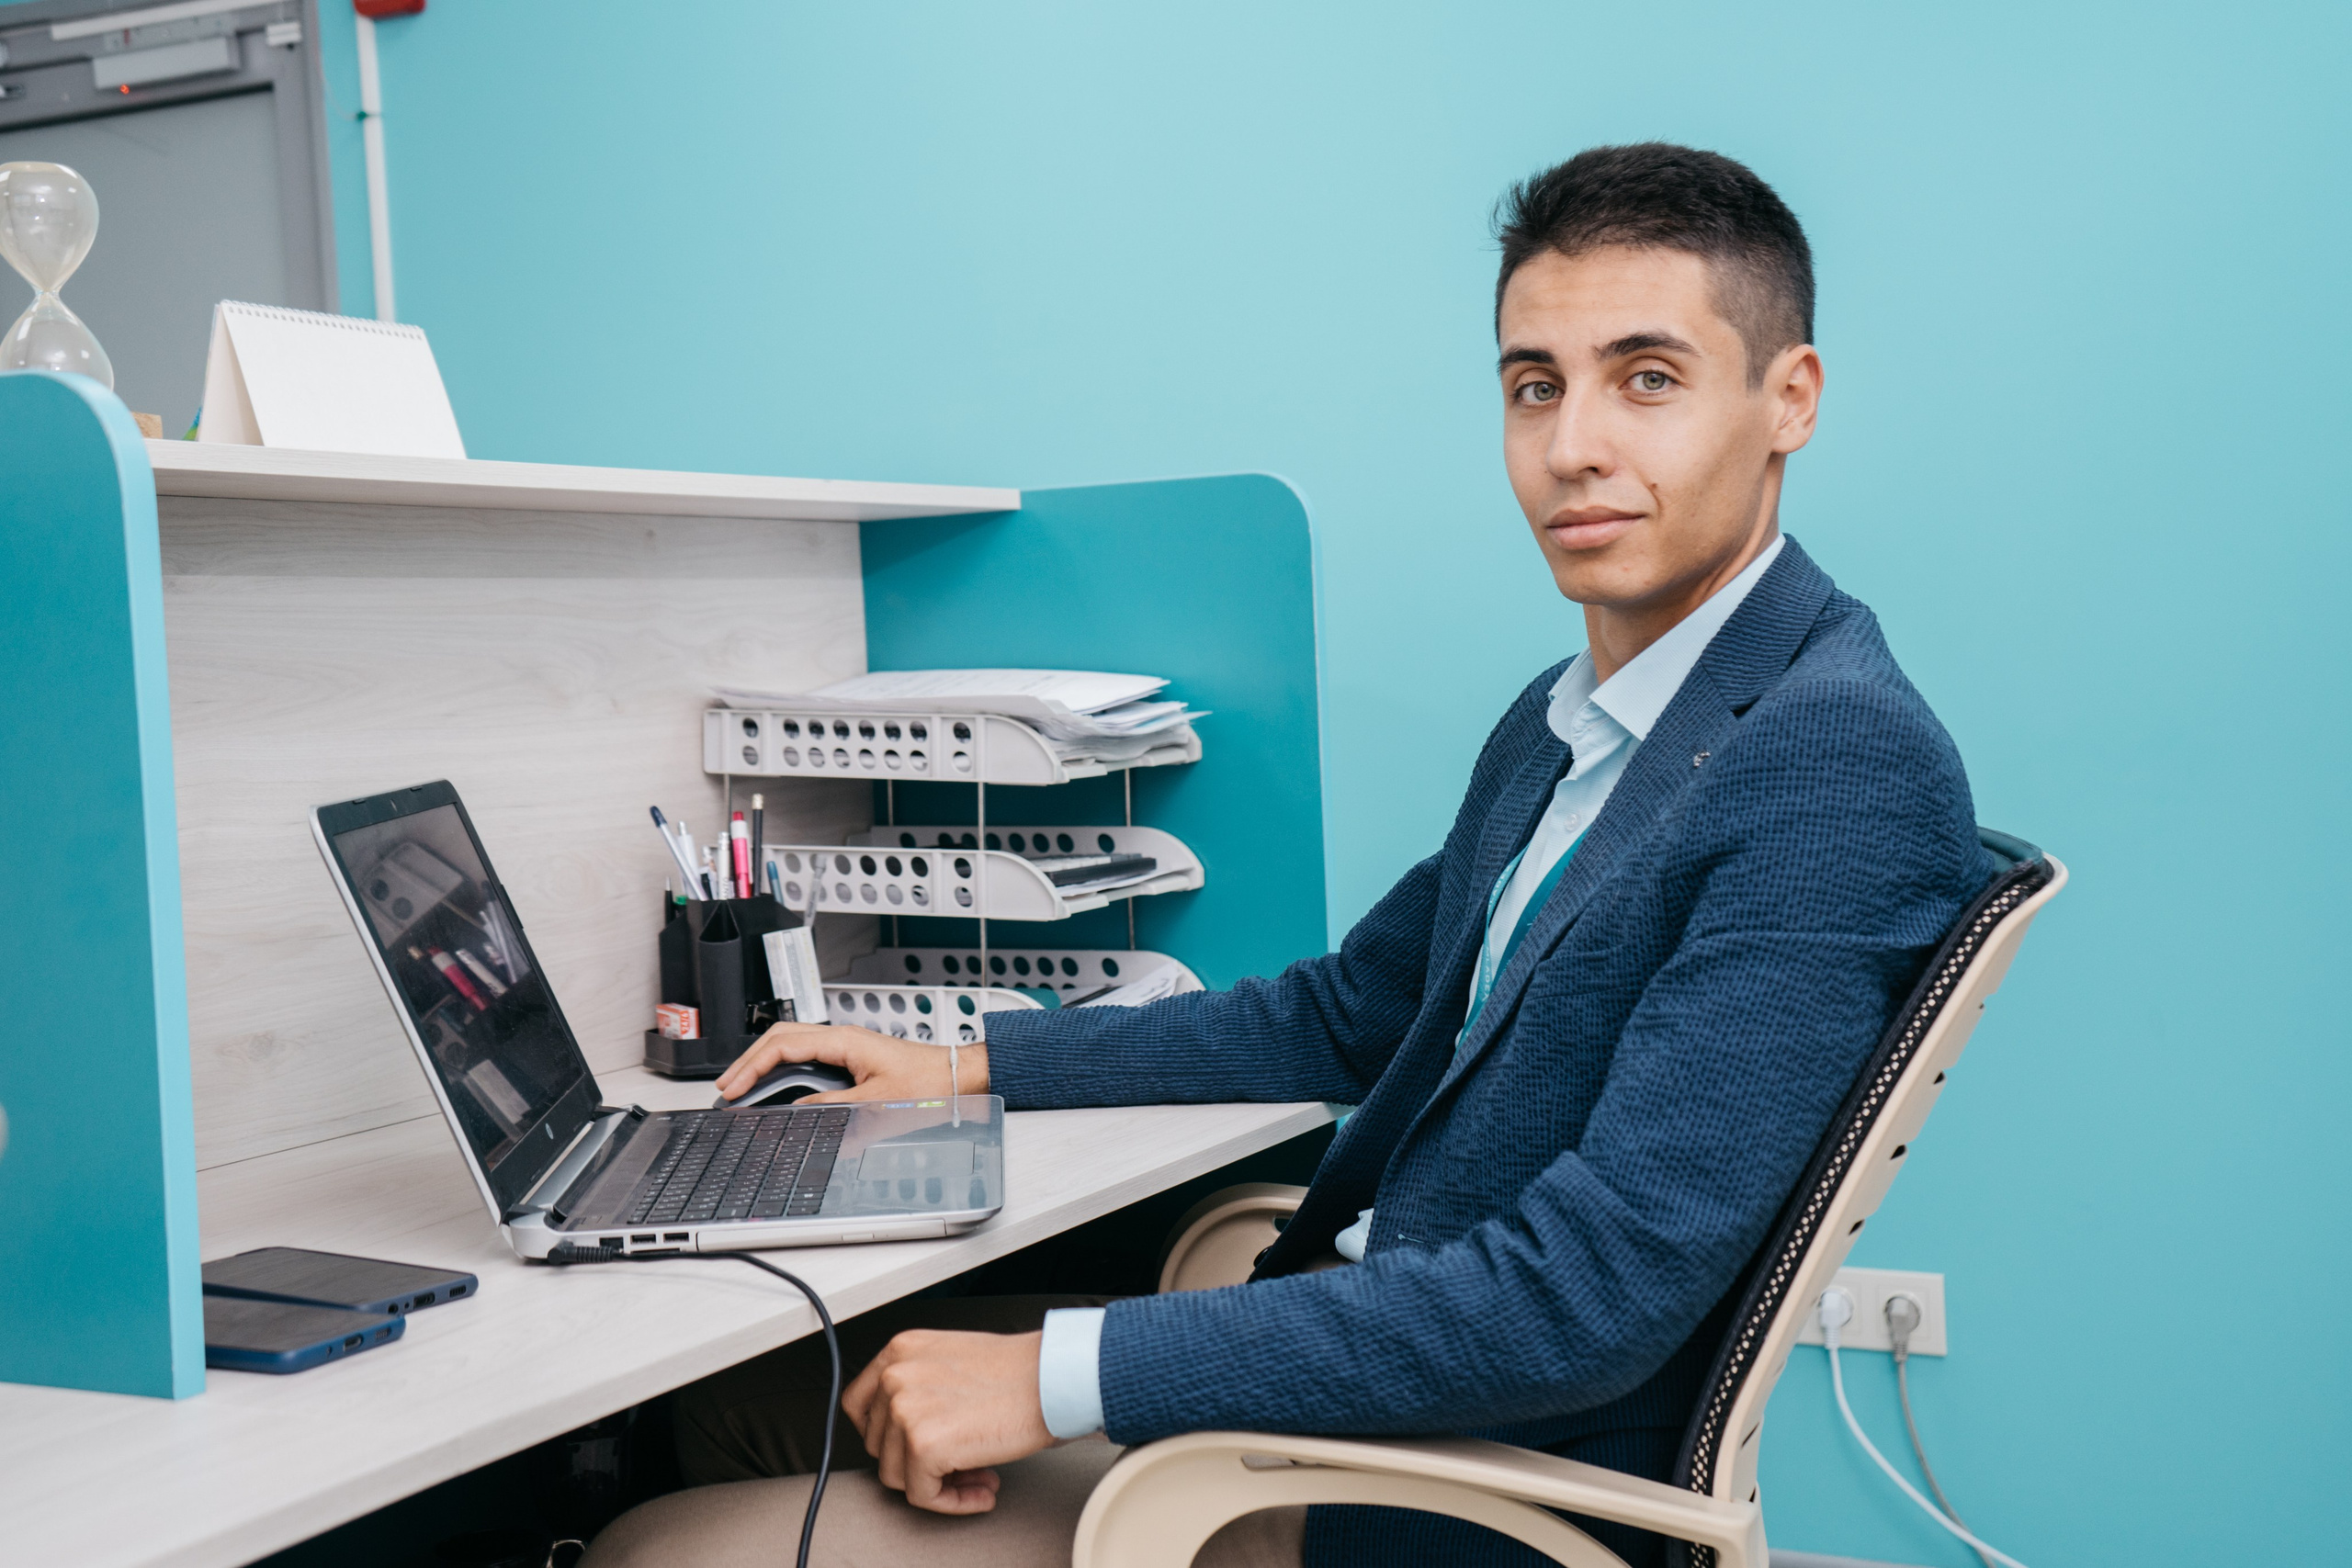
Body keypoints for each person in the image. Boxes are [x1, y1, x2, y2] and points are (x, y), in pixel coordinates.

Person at [582, 142, 1991, 1568]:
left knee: (660, 1548)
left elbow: (1588, 1296)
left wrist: (1057, 1376)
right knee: (749, 1400)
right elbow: (1351, 1011)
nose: (1572, 445)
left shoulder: (1831, 764)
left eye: (1648, 379)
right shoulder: (1578, 720)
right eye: (1533, 386)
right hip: (1374, 1371)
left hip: (1464, 1485)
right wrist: (973, 1064)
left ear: (1787, 401)